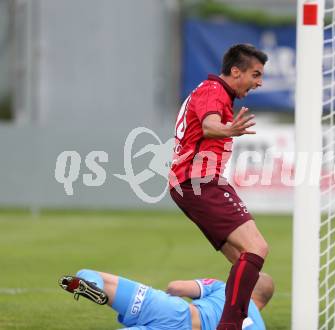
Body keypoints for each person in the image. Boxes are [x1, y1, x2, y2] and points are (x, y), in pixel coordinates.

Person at [169, 44, 269, 329]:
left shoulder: (212, 91)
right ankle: (230, 324)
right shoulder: (214, 91)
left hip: (192, 183)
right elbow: (211, 125)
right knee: (257, 248)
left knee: (245, 264)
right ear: (235, 71)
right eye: (255, 74)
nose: (259, 82)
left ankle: (210, 317)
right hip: (199, 181)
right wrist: (229, 129)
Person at [58, 269, 274, 330]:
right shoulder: (257, 324)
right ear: (263, 301)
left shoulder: (224, 287)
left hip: (173, 309)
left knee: (90, 274)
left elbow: (175, 287)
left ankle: (93, 286)